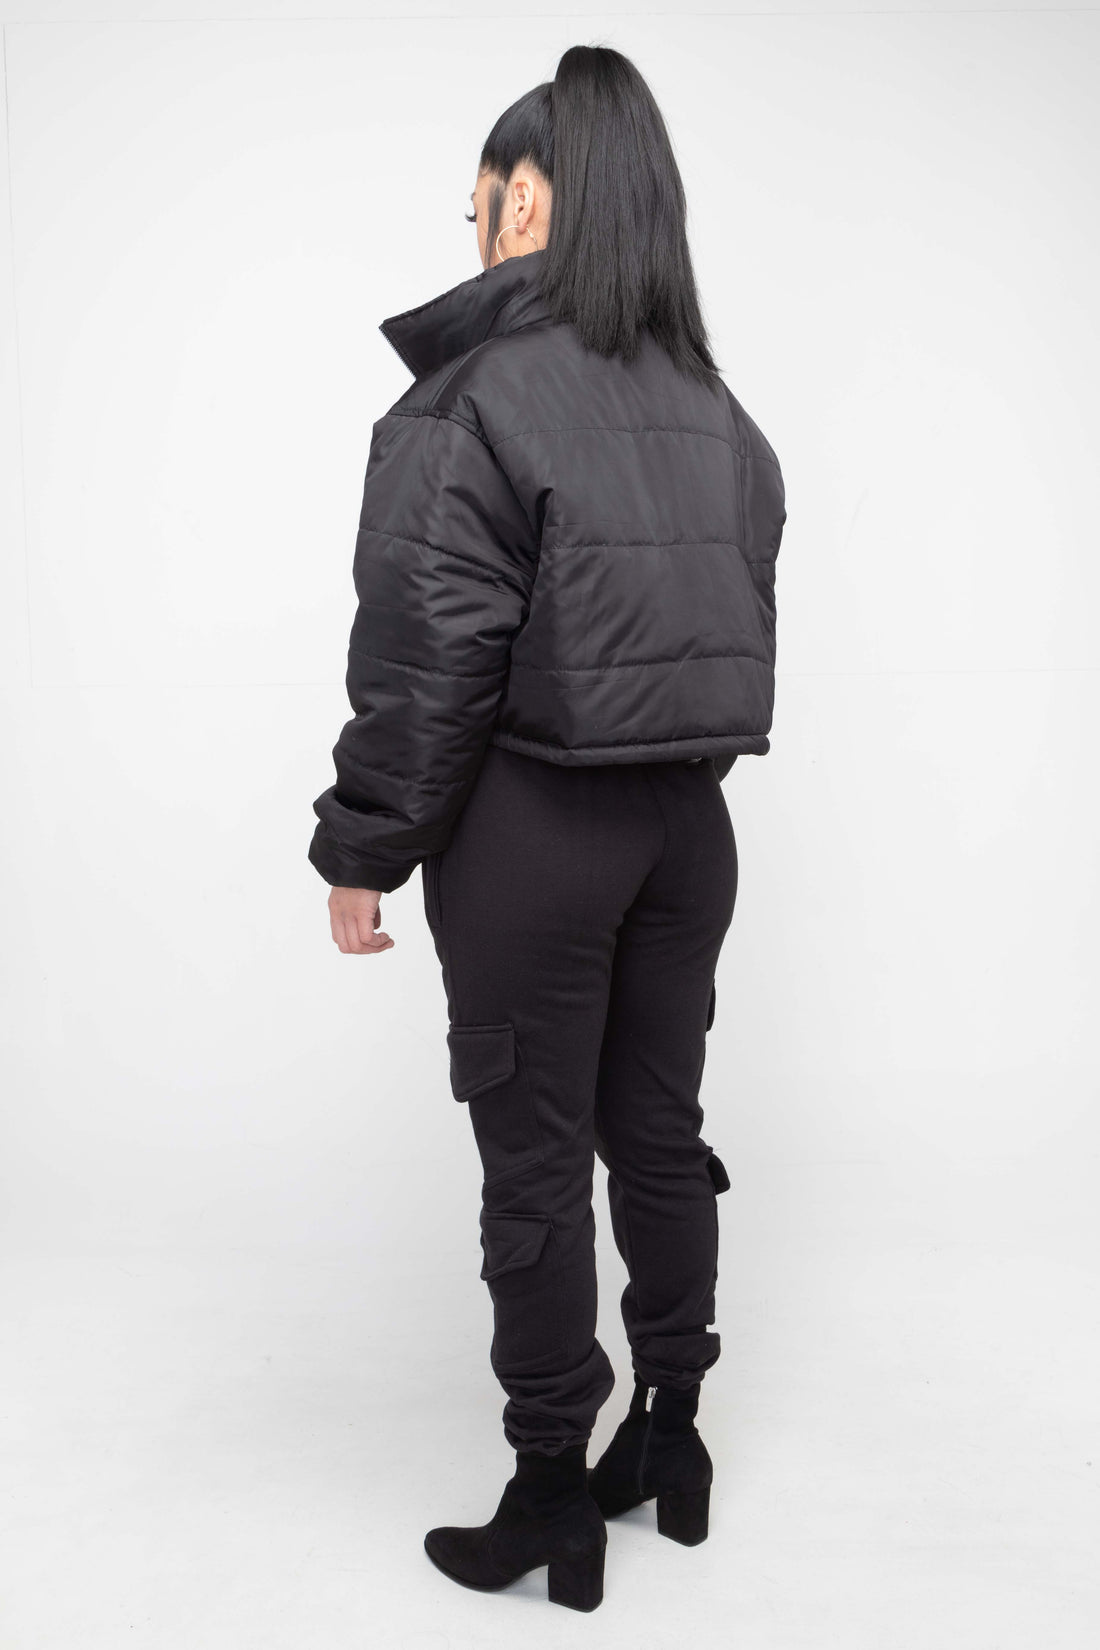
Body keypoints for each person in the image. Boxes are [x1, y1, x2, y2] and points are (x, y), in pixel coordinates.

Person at [308, 43, 786, 1613]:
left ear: (533, 201)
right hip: (688, 835)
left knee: (533, 1160)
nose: (470, 218)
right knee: (656, 1130)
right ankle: (671, 1430)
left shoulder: (470, 403)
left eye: (483, 193)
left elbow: (426, 656)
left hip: (538, 834)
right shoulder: (718, 411)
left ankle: (549, 1494)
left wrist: (365, 843)